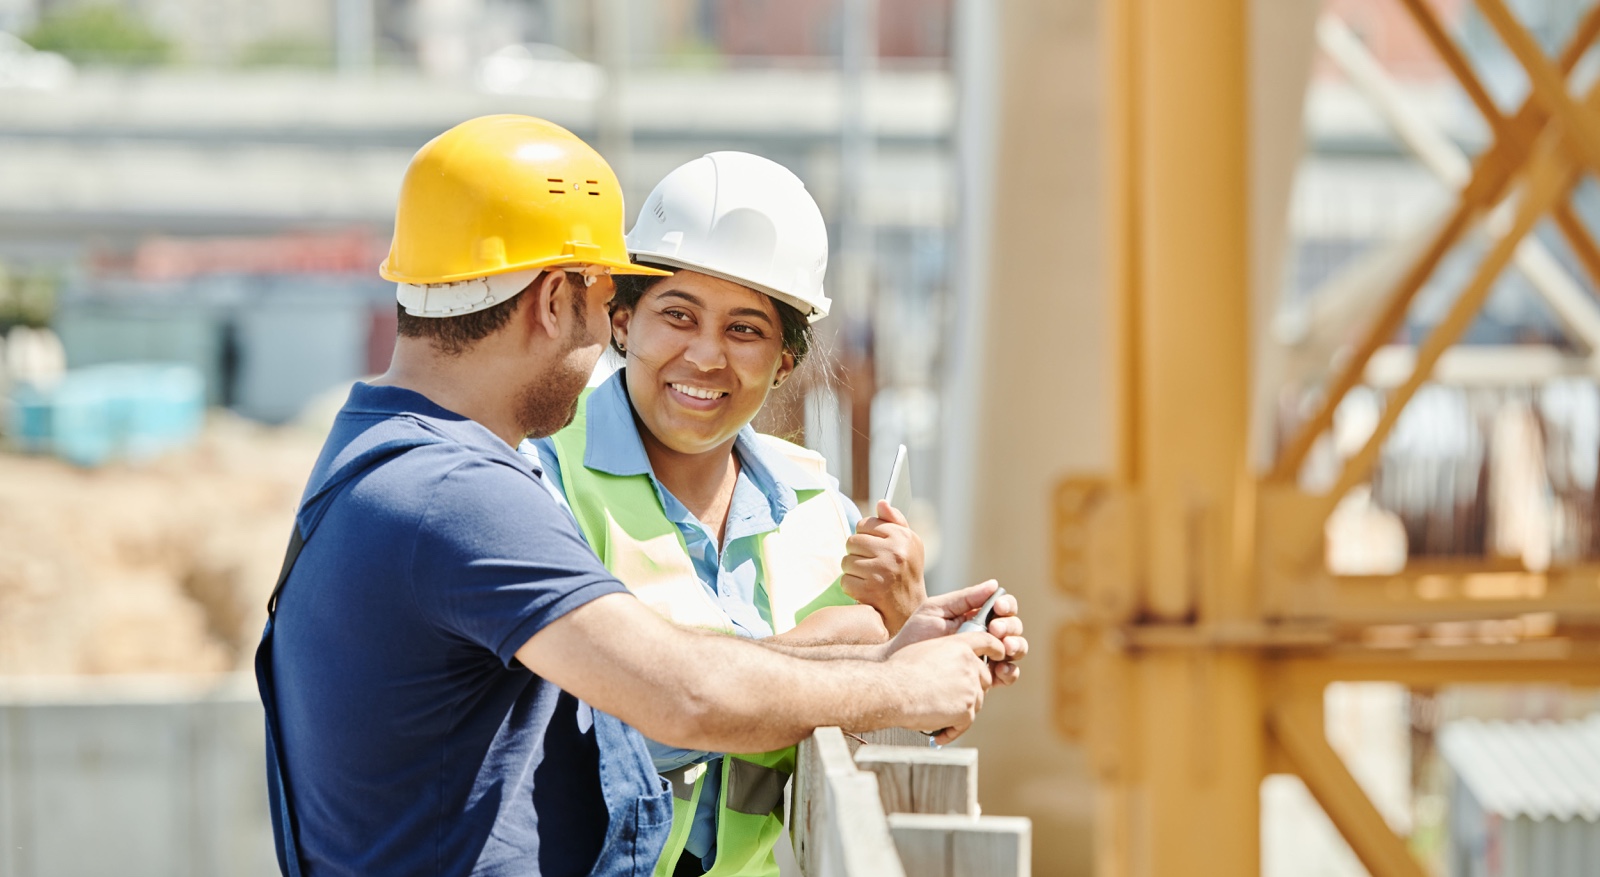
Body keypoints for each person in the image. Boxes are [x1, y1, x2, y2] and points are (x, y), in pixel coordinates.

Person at [256, 114, 1025, 877]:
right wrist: (895, 681)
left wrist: (882, 643)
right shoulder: (461, 495)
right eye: (607, 303)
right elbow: (677, 695)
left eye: (745, 330)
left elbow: (661, 677)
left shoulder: (385, 456)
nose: (607, 336)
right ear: (553, 299)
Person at [524, 152, 1015, 877]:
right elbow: (609, 719)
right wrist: (832, 647)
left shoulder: (823, 512)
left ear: (785, 360)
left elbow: (878, 725)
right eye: (678, 315)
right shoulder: (544, 481)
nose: (705, 355)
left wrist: (909, 623)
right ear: (623, 322)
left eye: (745, 329)